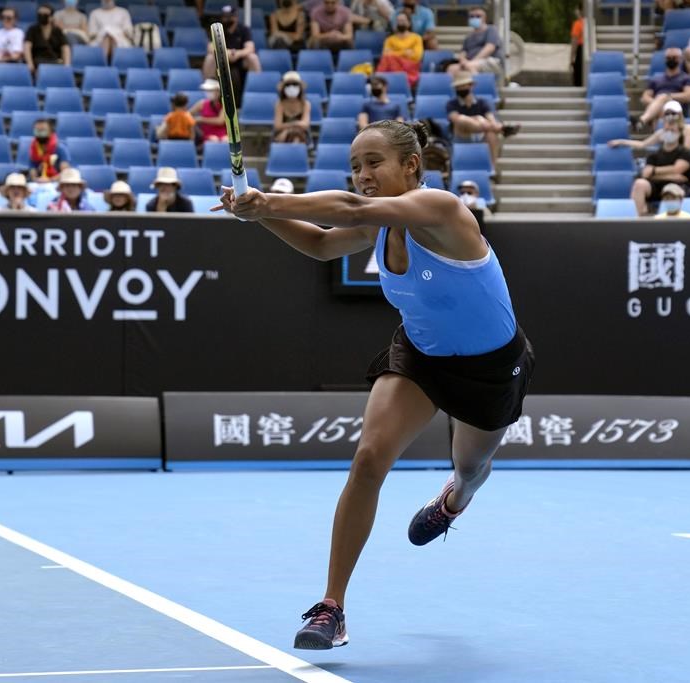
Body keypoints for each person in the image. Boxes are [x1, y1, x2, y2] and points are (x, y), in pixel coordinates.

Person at [214, 119, 534, 651]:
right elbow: (319, 245)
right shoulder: (378, 224)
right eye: (356, 166)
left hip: (491, 368)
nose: (363, 174)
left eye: (374, 163)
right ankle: (331, 608)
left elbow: (354, 209)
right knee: (368, 458)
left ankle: (455, 500)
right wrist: (259, 217)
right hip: (421, 355)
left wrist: (269, 202)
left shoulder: (444, 209)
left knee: (471, 469)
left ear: (411, 166)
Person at [446, 72, 519, 176]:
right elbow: (455, 119)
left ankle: (491, 168)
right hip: (460, 135)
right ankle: (502, 128)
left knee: (491, 134)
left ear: (471, 85)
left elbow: (491, 118)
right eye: (458, 87)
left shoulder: (482, 102)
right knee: (463, 120)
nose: (460, 89)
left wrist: (483, 122)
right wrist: (478, 119)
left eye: (463, 86)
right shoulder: (452, 103)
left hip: (481, 136)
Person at [630, 131, 690, 216]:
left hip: (677, 187)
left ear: (679, 134)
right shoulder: (654, 155)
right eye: (666, 130)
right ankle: (638, 221)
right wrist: (670, 176)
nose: (669, 133)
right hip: (656, 187)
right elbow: (646, 174)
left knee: (672, 189)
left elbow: (677, 169)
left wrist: (654, 171)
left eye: (672, 130)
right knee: (639, 184)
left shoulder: (685, 153)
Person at [634, 47, 690, 131]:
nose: (671, 60)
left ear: (680, 59)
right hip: (660, 110)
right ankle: (661, 140)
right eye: (668, 58)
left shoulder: (686, 78)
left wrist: (668, 97)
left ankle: (642, 120)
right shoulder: (656, 79)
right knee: (660, 108)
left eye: (674, 57)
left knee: (663, 98)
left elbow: (689, 96)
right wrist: (659, 103)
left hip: (678, 110)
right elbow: (645, 97)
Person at [609, 100, 690, 152]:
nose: (670, 115)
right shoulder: (662, 132)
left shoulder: (687, 129)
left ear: (680, 114)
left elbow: (686, 151)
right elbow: (642, 144)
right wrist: (621, 141)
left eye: (673, 113)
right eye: (668, 113)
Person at [201, 6, 262, 79]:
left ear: (235, 17)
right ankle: (208, 87)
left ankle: (256, 86)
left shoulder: (243, 29)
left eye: (230, 17)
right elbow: (210, 48)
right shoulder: (217, 29)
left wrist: (237, 53)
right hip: (221, 58)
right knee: (210, 58)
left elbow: (250, 48)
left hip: (239, 58)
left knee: (253, 58)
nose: (227, 19)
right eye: (225, 17)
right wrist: (226, 53)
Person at [446, 8, 501, 78]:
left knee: (470, 67)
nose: (475, 18)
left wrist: (472, 62)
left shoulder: (491, 29)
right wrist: (463, 61)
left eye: (478, 16)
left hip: (490, 61)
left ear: (485, 18)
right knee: (452, 68)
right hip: (470, 62)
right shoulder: (468, 37)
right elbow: (463, 52)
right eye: (472, 16)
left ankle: (479, 87)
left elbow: (490, 48)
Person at [378, 11, 423, 87]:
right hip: (392, 66)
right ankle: (394, 80)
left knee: (389, 59)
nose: (400, 23)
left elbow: (417, 56)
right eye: (398, 21)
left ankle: (379, 80)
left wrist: (394, 53)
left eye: (403, 20)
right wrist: (405, 52)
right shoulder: (390, 39)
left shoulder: (416, 38)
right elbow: (385, 54)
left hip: (410, 66)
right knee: (388, 59)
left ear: (409, 23)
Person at [24, 3, 71, 71]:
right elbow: (27, 46)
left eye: (45, 15)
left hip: (54, 62)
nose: (42, 17)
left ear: (51, 17)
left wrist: (67, 65)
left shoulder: (57, 31)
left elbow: (65, 48)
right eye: (40, 15)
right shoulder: (32, 29)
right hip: (37, 62)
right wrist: (29, 63)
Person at [273, 71, 311, 144]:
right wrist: (296, 124)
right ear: (284, 88)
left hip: (301, 135)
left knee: (296, 136)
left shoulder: (306, 104)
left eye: (295, 84)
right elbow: (277, 126)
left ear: (300, 88)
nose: (291, 87)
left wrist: (288, 129)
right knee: (289, 136)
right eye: (288, 85)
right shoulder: (279, 104)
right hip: (281, 135)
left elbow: (305, 125)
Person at [28, 118, 72, 183]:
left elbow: (65, 172)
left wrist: (49, 180)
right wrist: (36, 179)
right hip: (39, 183)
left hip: (57, 183)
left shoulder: (60, 148)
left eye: (43, 130)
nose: (40, 133)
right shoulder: (33, 148)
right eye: (37, 130)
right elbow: (32, 171)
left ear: (51, 131)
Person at [570, 6, 584, 87]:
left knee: (578, 78)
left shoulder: (577, 24)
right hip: (584, 49)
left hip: (580, 50)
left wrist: (571, 59)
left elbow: (574, 42)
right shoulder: (586, 23)